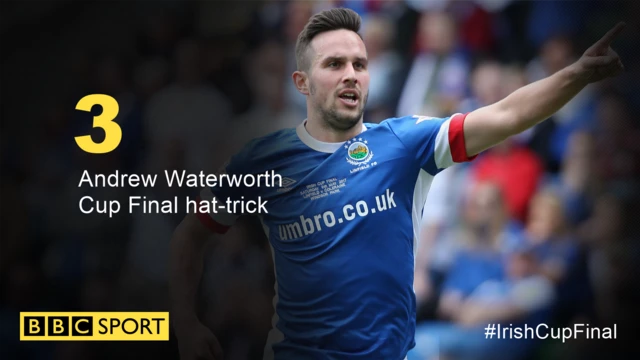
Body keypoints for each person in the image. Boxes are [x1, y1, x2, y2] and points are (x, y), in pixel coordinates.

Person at [169, 7, 625, 360]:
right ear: (302, 83)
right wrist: (185, 322)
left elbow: (506, 114)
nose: (351, 74)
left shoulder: (405, 143)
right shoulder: (263, 160)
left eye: (359, 64)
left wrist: (576, 73)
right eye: (334, 64)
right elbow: (191, 237)